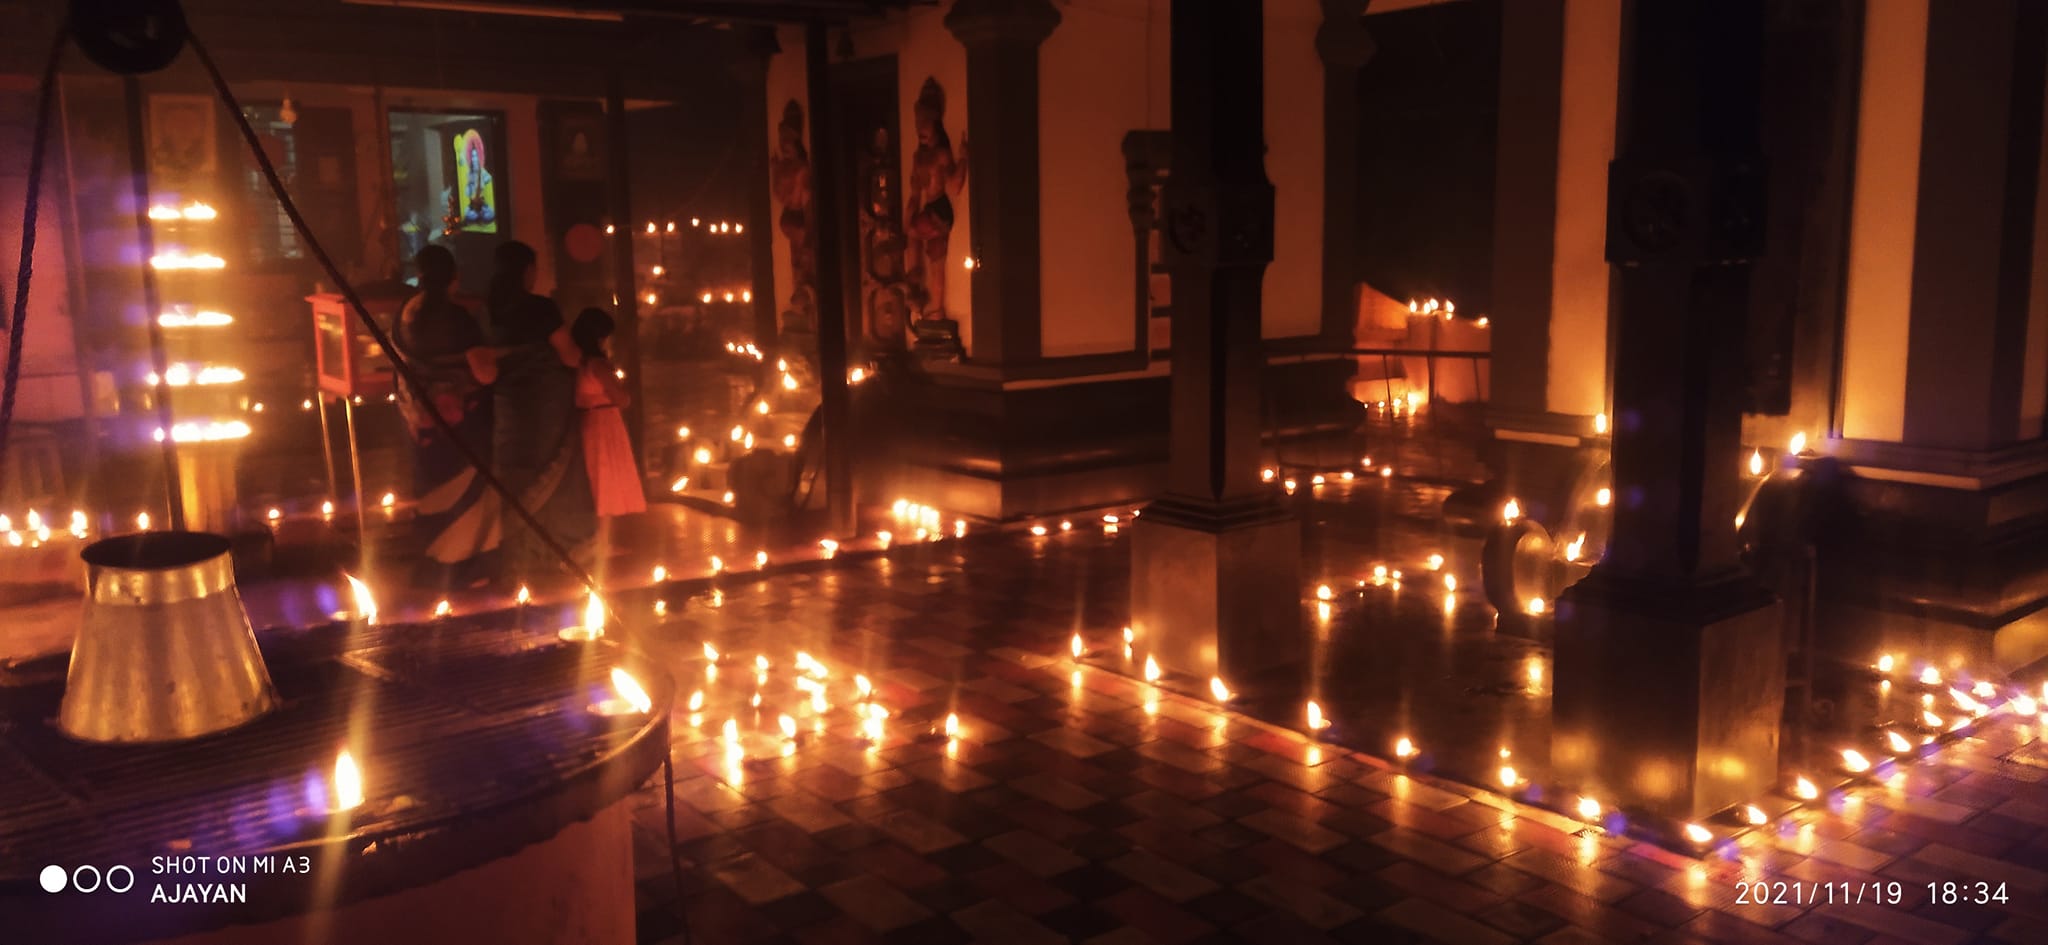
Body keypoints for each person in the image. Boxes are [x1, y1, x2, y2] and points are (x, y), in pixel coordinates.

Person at [484, 240, 595, 588]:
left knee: (517, 469)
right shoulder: (541, 308)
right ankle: (560, 546)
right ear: (526, 272)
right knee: (557, 469)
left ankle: (516, 551)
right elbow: (567, 355)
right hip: (546, 402)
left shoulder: (486, 311)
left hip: (507, 402)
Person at [393, 245, 499, 588]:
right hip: (460, 420)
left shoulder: (405, 313)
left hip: (419, 416)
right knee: (466, 487)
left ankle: (432, 560)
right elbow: (484, 372)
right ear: (454, 277)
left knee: (431, 486)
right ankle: (463, 566)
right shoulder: (456, 317)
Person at [569, 308, 647, 518]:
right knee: (608, 479)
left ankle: (600, 538)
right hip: (605, 424)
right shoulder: (598, 365)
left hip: (587, 420)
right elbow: (621, 398)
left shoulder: (576, 362)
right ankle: (605, 538)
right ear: (599, 337)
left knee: (594, 479)